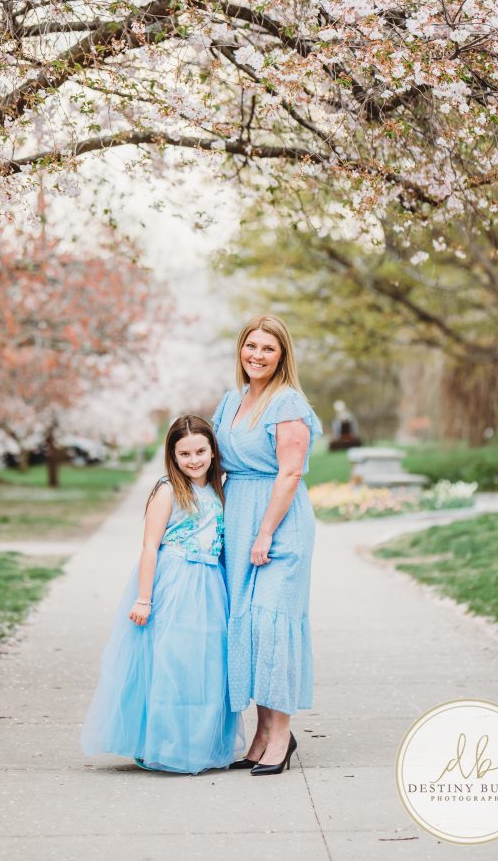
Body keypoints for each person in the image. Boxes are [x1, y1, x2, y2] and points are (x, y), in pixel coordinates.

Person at [80, 415, 245, 774]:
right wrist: (144, 598)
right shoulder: (169, 489)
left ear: (213, 452)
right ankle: (161, 743)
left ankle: (200, 745)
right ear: (172, 455)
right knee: (172, 661)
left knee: (207, 664)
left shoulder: (220, 488)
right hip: (175, 581)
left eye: (201, 451)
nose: (194, 460)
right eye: (184, 453)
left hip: (210, 584)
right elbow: (150, 547)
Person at [212, 315, 322, 776]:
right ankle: (261, 734)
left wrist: (265, 532)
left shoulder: (287, 402)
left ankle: (281, 736)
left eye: (268, 349)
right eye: (251, 346)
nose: (257, 355)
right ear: (241, 349)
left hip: (279, 524)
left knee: (273, 624)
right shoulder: (231, 400)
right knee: (249, 628)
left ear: (282, 356)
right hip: (238, 517)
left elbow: (291, 472)